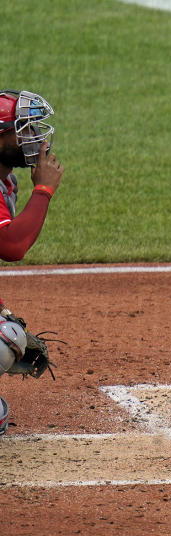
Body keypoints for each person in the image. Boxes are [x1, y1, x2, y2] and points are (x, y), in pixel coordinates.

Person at [0, 89, 63, 434]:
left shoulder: (4, 180)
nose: (34, 138)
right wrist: (43, 191)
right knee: (5, 340)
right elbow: (12, 246)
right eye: (22, 130)